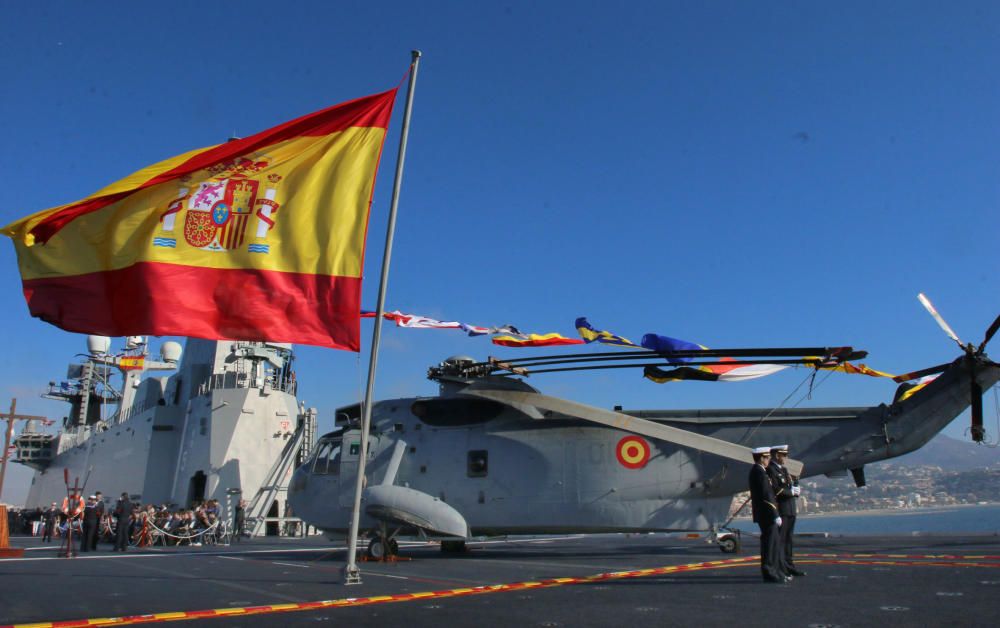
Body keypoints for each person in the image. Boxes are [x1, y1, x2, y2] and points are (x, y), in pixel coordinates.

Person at [749, 446, 788, 583]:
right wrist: (775, 514)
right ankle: (770, 572)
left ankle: (774, 571)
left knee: (772, 543)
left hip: (766, 514)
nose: (769, 459)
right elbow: (767, 495)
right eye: (767, 457)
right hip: (766, 514)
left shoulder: (760, 471)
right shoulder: (759, 472)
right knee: (769, 544)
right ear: (761, 458)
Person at [769, 445, 805, 577]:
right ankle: (781, 567)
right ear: (777, 455)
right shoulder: (771, 470)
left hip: (790, 509)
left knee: (788, 540)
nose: (786, 458)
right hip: (782, 508)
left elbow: (789, 486)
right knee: (781, 540)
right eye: (784, 455)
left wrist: (796, 488)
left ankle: (789, 565)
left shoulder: (784, 470)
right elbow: (775, 490)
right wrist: (790, 492)